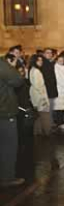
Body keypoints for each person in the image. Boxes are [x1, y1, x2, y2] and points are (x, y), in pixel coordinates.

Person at [0, 54, 25, 187]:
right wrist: (12, 67)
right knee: (8, 146)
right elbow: (17, 80)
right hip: (4, 112)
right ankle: (7, 178)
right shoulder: (2, 64)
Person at [29, 54, 51, 136]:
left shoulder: (32, 70)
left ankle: (38, 132)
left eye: (41, 60)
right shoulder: (36, 71)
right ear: (34, 61)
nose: (41, 62)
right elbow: (39, 86)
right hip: (39, 95)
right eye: (39, 60)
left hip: (35, 95)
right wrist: (44, 98)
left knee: (38, 115)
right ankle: (47, 132)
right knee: (45, 115)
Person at [41, 48, 59, 127]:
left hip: (51, 89)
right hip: (48, 89)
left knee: (51, 107)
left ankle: (50, 124)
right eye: (47, 53)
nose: (49, 54)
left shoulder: (49, 63)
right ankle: (49, 125)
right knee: (49, 108)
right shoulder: (44, 64)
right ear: (44, 54)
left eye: (50, 53)